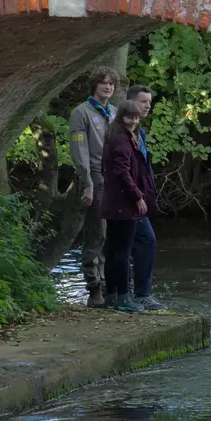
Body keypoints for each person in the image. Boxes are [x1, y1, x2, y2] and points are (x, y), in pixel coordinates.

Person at [69, 67, 120, 307]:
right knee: (97, 232)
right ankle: (94, 287)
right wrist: (87, 183)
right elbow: (80, 151)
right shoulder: (82, 113)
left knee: (115, 233)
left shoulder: (115, 113)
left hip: (116, 178)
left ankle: (112, 283)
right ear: (94, 85)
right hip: (96, 176)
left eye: (111, 84)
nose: (107, 87)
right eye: (103, 83)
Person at [100, 98, 156, 312]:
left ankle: (112, 296)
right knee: (121, 252)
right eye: (129, 117)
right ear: (120, 117)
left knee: (113, 251)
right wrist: (138, 196)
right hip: (124, 205)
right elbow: (122, 172)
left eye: (135, 118)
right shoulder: (122, 140)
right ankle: (124, 297)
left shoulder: (115, 136)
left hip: (113, 203)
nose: (133, 121)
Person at [125, 83, 167, 311]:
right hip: (127, 198)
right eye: (143, 102)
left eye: (149, 103)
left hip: (141, 198)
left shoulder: (140, 132)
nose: (148, 106)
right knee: (143, 241)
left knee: (138, 243)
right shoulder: (121, 132)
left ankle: (136, 294)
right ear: (131, 102)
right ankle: (134, 295)